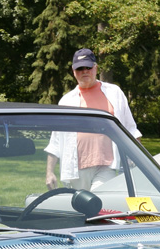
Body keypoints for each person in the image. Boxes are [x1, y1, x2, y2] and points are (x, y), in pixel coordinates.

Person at [45, 48, 142, 190]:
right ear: (73, 71)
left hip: (106, 166)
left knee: (99, 198)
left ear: (95, 68)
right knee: (80, 204)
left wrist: (140, 161)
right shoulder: (66, 101)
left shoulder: (114, 93)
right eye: (80, 69)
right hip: (75, 170)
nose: (84, 71)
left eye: (88, 67)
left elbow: (131, 129)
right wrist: (49, 172)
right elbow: (56, 140)